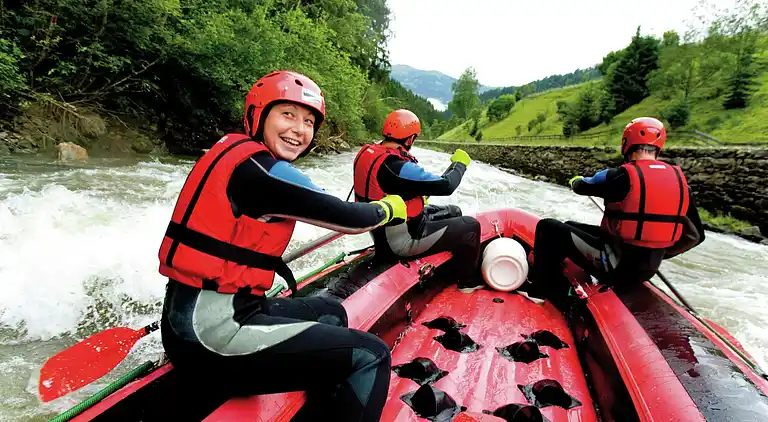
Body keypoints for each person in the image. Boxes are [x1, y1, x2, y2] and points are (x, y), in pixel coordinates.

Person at [157, 70, 408, 421]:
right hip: (209, 335)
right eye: (287, 114)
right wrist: (389, 207)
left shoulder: (241, 156)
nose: (299, 129)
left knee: (332, 313)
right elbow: (351, 219)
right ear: (258, 115)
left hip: (216, 312)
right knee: (372, 355)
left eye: (308, 121)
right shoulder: (260, 172)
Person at [523, 117, 705, 309]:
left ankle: (540, 290)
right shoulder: (681, 184)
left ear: (626, 144)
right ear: (658, 148)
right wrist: (660, 250)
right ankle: (559, 276)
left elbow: (582, 185)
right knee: (571, 226)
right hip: (647, 270)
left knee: (547, 227)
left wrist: (575, 181)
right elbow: (695, 236)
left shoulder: (619, 176)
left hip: (614, 267)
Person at [351, 109, 483, 293]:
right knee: (471, 226)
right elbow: (446, 185)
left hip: (386, 231)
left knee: (454, 211)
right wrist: (459, 164)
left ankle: (449, 264)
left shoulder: (372, 153)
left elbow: (400, 187)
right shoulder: (397, 166)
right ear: (410, 139)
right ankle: (468, 282)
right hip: (401, 241)